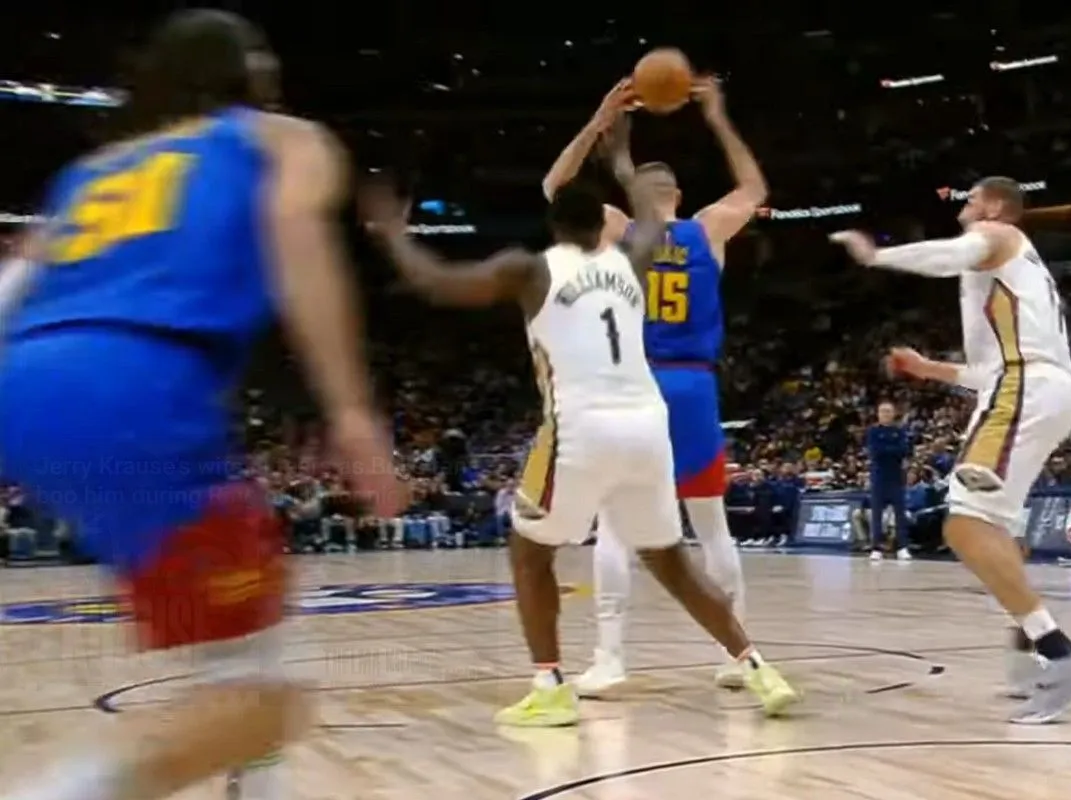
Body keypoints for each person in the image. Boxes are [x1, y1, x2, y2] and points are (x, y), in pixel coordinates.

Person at [0, 10, 402, 800]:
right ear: (250, 73)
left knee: (243, 655)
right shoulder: (279, 139)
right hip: (134, 382)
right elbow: (296, 235)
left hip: (24, 382)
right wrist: (352, 411)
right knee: (264, 703)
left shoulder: (94, 169)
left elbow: (18, 283)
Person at [359, 144, 796, 728]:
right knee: (672, 561)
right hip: (649, 425)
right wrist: (621, 154)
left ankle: (551, 685)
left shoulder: (533, 269)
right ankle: (757, 667)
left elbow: (439, 282)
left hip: (581, 427)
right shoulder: (634, 261)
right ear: (603, 227)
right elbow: (648, 216)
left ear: (556, 227)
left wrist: (394, 235)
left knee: (529, 553)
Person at [830, 176, 1071, 724]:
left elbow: (948, 256)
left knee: (964, 526)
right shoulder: (1010, 277)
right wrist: (928, 369)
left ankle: (1062, 656)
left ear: (996, 206)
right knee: (994, 531)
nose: (966, 204)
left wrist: (878, 256)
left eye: (973, 197)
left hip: (1025, 387)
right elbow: (985, 374)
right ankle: (1027, 659)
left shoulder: (997, 236)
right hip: (1035, 388)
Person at [541, 76, 766, 694]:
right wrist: (717, 115)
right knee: (712, 526)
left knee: (616, 526)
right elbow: (754, 188)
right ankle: (738, 653)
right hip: (694, 388)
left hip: (633, 387)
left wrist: (599, 118)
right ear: (678, 195)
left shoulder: (618, 230)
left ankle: (610, 658)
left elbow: (555, 187)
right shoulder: (708, 228)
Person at [866, 400, 912, 560]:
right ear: (878, 414)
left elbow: (904, 450)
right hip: (879, 477)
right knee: (877, 514)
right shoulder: (873, 431)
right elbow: (875, 451)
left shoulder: (899, 431)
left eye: (888, 411)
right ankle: (876, 548)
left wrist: (887, 450)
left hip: (896, 477)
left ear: (894, 414)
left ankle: (902, 547)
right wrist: (892, 450)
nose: (885, 414)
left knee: (900, 514)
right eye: (883, 411)